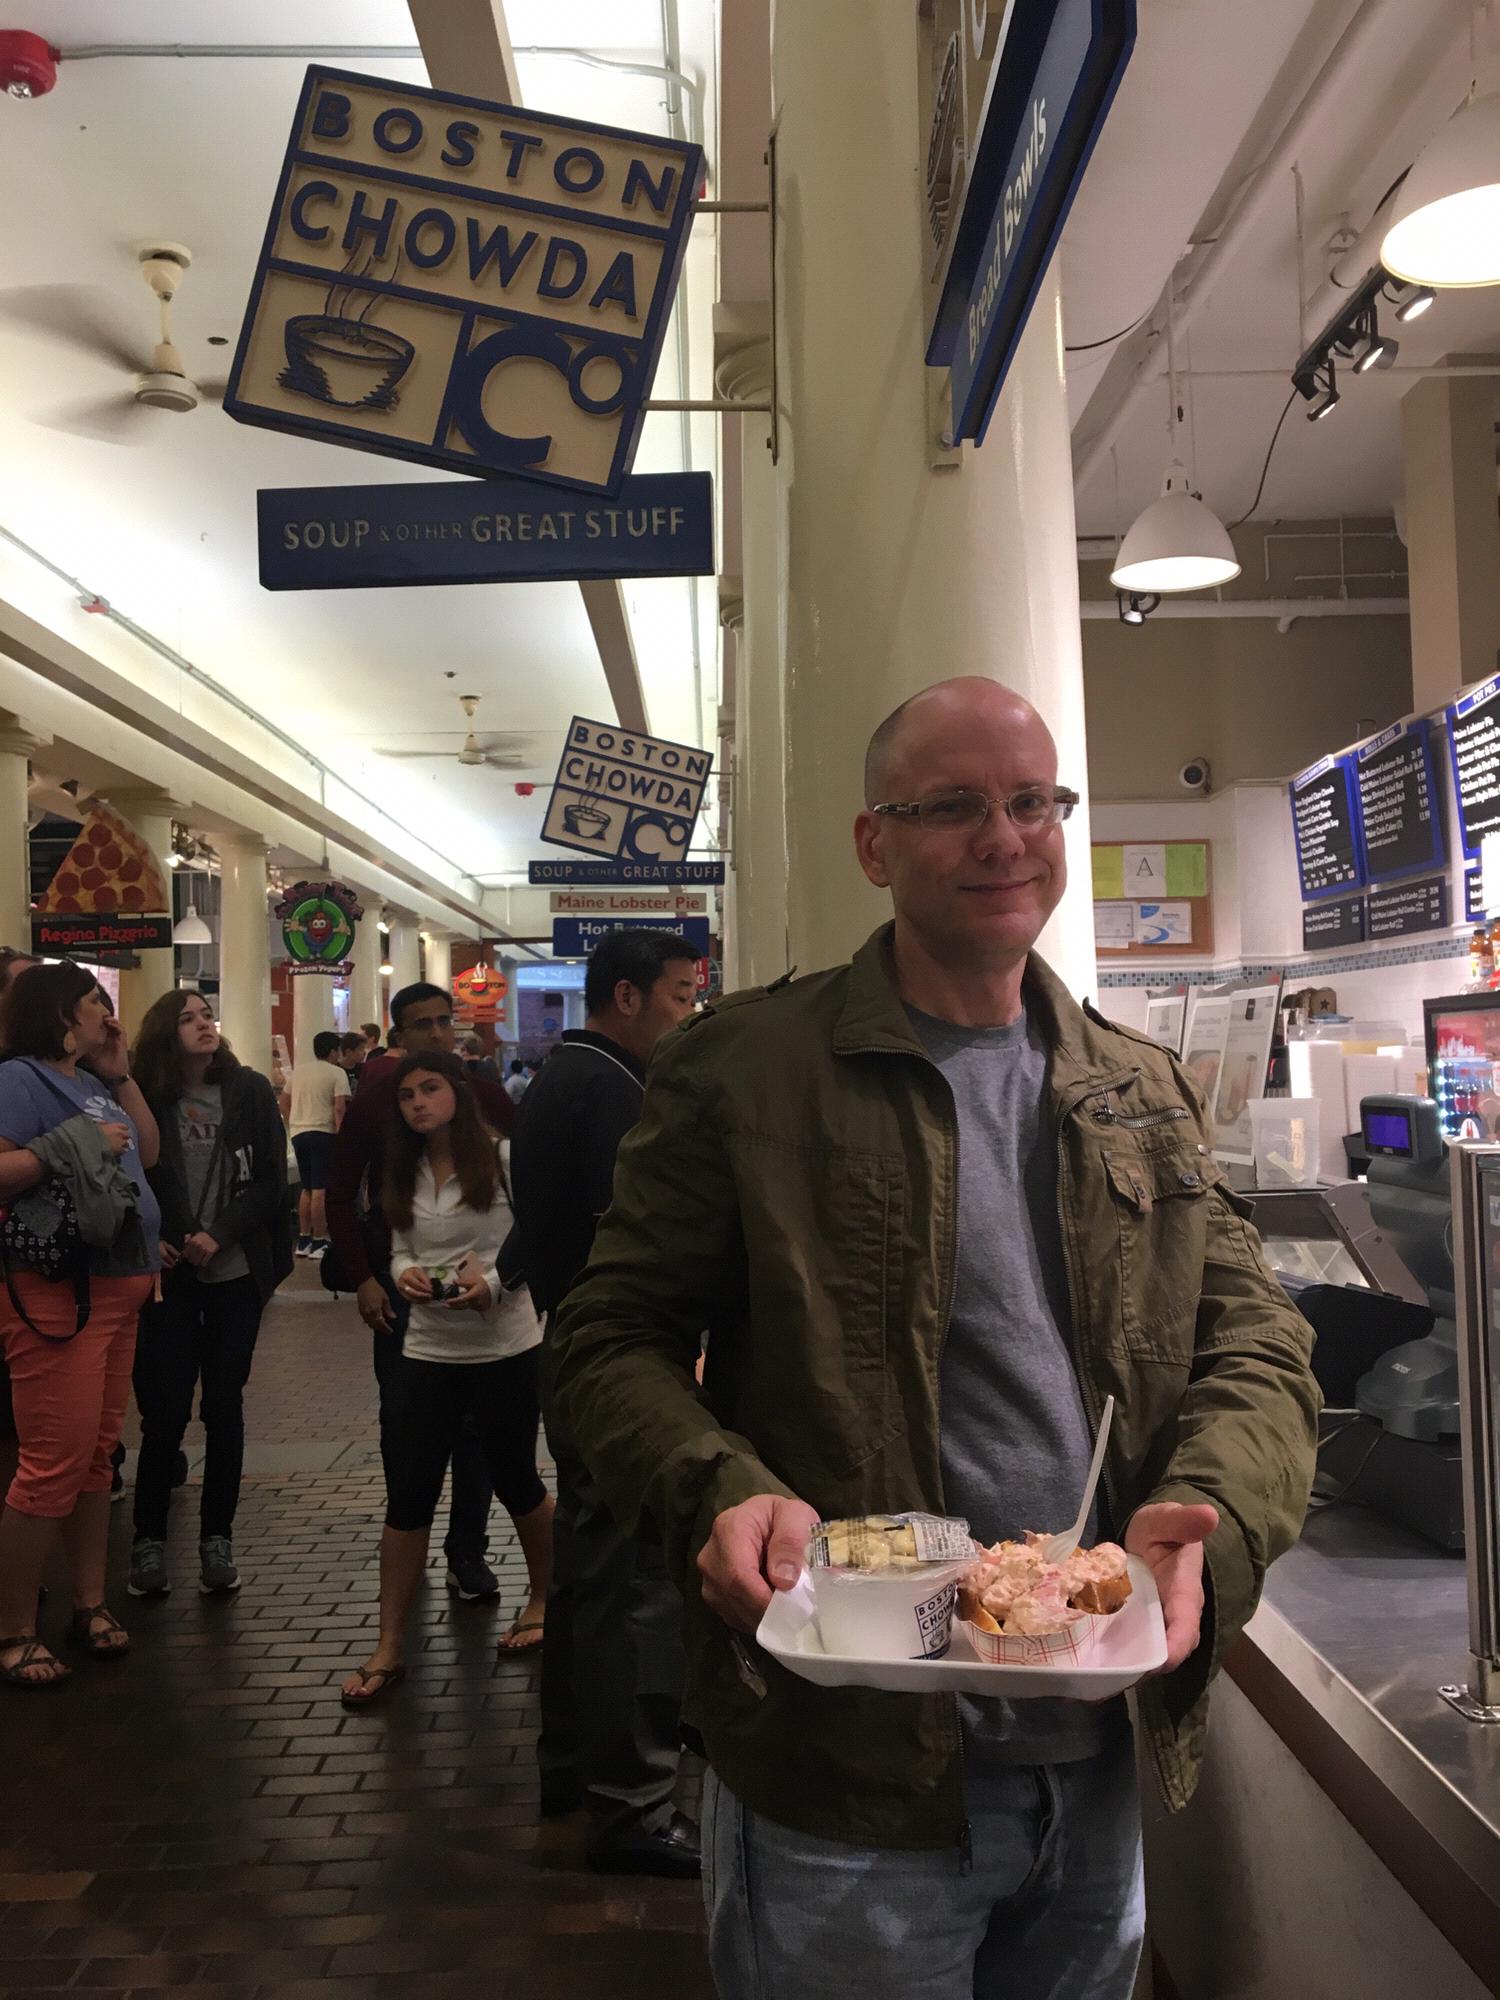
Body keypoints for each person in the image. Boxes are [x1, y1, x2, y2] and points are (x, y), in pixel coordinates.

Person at [551, 678, 1321, 1997]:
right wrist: (717, 1488)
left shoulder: (1139, 1087)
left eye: (1032, 803)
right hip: (845, 1779)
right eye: (953, 807)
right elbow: (606, 1340)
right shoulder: (749, 1070)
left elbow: (1257, 1343)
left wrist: (1211, 1502)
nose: (1004, 838)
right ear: (874, 844)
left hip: (1094, 1758)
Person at [509, 927, 700, 1874]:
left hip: (573, 1353)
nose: (688, 1013)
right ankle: (632, 1805)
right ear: (626, 997)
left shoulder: (563, 1078)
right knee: (631, 1583)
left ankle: (573, 1765)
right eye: (678, 996)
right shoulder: (610, 1091)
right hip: (615, 1366)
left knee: (590, 1578)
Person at [341, 1052, 552, 1706]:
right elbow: (401, 1241)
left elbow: (537, 1236)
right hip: (428, 1347)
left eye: (430, 1089)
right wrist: (404, 1271)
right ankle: (389, 1645)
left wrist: (490, 1283)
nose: (418, 1104)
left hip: (505, 1343)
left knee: (516, 1476)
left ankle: (544, 1599)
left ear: (458, 1093)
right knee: (408, 1491)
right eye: (406, 1096)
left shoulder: (507, 1158)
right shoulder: (401, 1168)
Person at [327, 982, 516, 1606]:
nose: (437, 1033)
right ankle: (410, 1534)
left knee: (479, 1432)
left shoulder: (484, 1096)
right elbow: (342, 1192)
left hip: (480, 1292)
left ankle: (468, 1549)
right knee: (406, 1425)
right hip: (401, 1288)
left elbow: (524, 1193)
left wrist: (499, 1276)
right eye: (421, 1025)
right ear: (398, 1035)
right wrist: (364, 1277)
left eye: (444, 1020)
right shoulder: (379, 1101)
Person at [0, 964, 162, 1686]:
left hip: (118, 1290)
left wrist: (120, 1075)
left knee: (97, 1455)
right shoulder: (19, 1080)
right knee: (52, 1464)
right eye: (99, 1004)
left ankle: (90, 1602)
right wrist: (66, 1148)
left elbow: (150, 1153)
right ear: (64, 1010)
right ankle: (14, 1630)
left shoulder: (93, 1082)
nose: (110, 1014)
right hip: (59, 1295)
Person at [127, 989, 292, 1599]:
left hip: (233, 1274)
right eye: (188, 1018)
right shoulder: (146, 1095)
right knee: (164, 1413)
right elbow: (138, 1175)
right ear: (166, 1034)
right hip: (169, 1275)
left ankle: (216, 1537)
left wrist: (218, 1235)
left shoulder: (247, 1090)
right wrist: (164, 1236)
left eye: (207, 1016)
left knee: (224, 1406)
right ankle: (148, 1541)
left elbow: (271, 1179)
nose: (204, 1025)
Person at [280, 1029, 349, 1259]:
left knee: (307, 1187)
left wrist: (293, 1122)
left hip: (300, 1133)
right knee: (321, 1189)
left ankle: (303, 1240)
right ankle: (319, 1241)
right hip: (323, 1133)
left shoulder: (298, 1073)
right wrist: (341, 1135)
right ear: (332, 1051)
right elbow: (339, 1107)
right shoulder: (337, 1073)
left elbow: (283, 1100)